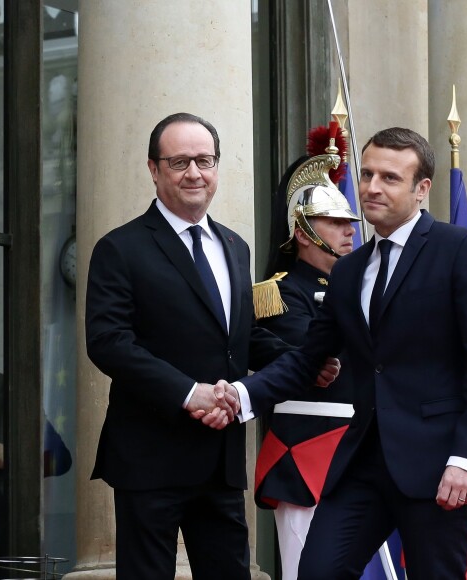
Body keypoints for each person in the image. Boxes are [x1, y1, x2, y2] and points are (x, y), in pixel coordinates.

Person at [214, 127, 467, 579]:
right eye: (367, 173)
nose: (371, 187)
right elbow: (306, 359)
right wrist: (241, 395)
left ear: (421, 188)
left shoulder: (460, 249)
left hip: (438, 466)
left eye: (390, 178)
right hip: (361, 464)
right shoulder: (350, 270)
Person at [85, 112, 338, 580]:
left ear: (218, 167)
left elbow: (237, 339)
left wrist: (302, 362)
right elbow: (108, 343)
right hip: (149, 458)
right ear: (154, 169)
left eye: (204, 160)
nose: (194, 173)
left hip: (220, 458)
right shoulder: (120, 249)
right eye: (179, 162)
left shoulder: (233, 246)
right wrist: (189, 392)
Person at [253, 127, 359, 580]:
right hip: (307, 452)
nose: (349, 230)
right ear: (303, 231)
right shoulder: (278, 293)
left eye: (349, 222)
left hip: (365, 452)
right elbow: (310, 354)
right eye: (335, 223)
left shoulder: (363, 284)